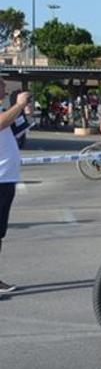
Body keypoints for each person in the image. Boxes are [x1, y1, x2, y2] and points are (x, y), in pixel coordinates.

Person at [0, 82, 30, 295]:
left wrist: (24, 112)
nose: (5, 92)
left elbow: (15, 131)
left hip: (6, 178)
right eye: (1, 88)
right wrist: (18, 106)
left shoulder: (3, 110)